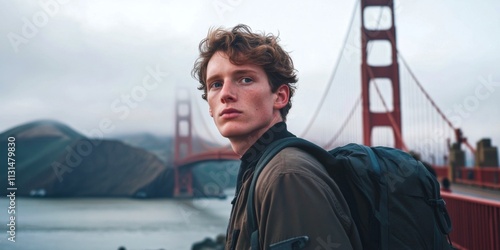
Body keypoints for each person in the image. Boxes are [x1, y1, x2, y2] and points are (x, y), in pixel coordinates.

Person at [192, 24, 362, 250]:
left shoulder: (286, 176)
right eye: (216, 84)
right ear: (210, 108)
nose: (225, 94)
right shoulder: (261, 170)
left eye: (245, 80)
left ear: (280, 96)